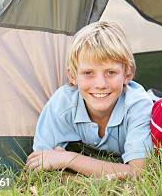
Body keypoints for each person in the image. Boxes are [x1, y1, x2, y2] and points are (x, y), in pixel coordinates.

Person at [26, 21, 153, 178]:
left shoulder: (138, 105)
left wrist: (69, 159)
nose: (100, 84)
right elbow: (42, 160)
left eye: (111, 72)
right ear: (72, 76)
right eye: (88, 73)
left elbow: (139, 173)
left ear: (127, 74)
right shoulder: (63, 104)